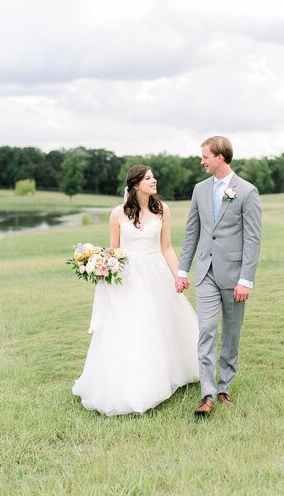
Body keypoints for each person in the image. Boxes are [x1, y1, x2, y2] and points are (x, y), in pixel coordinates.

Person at [72, 165, 199, 416]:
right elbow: (115, 251)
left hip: (156, 273)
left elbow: (168, 249)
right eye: (149, 178)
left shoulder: (162, 210)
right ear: (135, 184)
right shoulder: (117, 214)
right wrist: (101, 265)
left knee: (160, 324)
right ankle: (135, 384)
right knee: (135, 326)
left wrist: (179, 275)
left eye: (153, 177)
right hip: (130, 278)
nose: (154, 181)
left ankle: (167, 374)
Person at [175, 136, 262, 417]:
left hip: (235, 275)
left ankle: (225, 386)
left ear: (220, 158)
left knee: (232, 335)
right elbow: (192, 233)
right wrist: (181, 269)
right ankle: (208, 394)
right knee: (207, 331)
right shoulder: (199, 190)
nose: (201, 161)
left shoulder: (247, 192)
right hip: (205, 275)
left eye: (205, 157)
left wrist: (245, 280)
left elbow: (253, 239)